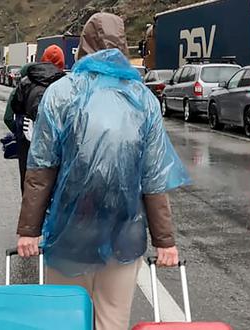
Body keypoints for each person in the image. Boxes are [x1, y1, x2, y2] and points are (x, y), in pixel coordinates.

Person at [16, 13, 189, 330]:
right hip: (123, 230)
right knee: (112, 318)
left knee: (66, 318)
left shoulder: (61, 93)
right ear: (122, 46)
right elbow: (153, 178)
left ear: (82, 46)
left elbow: (41, 169)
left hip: (70, 227)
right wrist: (165, 241)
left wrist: (29, 231)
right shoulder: (143, 99)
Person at [10, 45, 66, 193]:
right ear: (61, 63)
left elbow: (15, 107)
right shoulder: (65, 83)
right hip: (56, 139)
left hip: (28, 138)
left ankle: (30, 211)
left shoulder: (26, 82)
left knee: (29, 180)